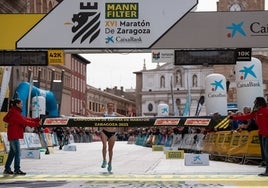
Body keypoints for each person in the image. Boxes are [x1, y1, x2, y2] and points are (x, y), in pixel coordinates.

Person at [231, 97, 268, 177]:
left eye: (255, 102)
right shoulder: (256, 112)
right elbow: (246, 117)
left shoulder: (266, 110)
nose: (254, 103)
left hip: (267, 134)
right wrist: (234, 118)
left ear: (259, 102)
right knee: (265, 154)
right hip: (262, 134)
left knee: (267, 153)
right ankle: (267, 170)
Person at [3, 98, 40, 175]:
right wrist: (37, 124)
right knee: (17, 152)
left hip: (12, 134)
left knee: (13, 152)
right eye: (21, 104)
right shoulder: (15, 113)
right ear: (17, 104)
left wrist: (36, 120)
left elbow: (23, 119)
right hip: (14, 135)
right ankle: (17, 169)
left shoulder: (13, 112)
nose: (22, 105)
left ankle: (7, 168)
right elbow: (25, 121)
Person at [100, 102, 123, 172]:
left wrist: (130, 117)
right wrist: (85, 108)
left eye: (111, 106)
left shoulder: (115, 114)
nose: (110, 107)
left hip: (112, 133)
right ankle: (104, 160)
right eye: (109, 106)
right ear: (107, 107)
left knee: (110, 149)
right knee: (104, 146)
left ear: (113, 107)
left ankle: (110, 163)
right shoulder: (104, 113)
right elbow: (94, 113)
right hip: (104, 131)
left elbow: (123, 117)